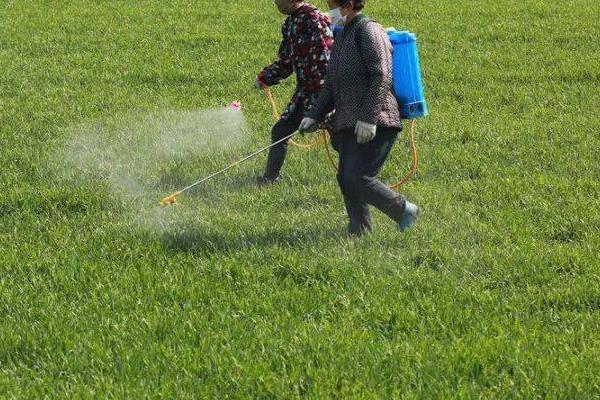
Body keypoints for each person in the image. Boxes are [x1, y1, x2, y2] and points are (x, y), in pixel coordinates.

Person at [300, 0, 419, 236]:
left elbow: (381, 75)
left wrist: (369, 118)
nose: (329, 11)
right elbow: (332, 86)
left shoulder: (369, 30)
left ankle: (405, 210)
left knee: (357, 177)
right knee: (346, 178)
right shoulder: (343, 36)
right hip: (349, 122)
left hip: (377, 119)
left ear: (349, 5)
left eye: (332, 5)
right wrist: (313, 115)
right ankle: (359, 230)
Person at [254, 0, 333, 185]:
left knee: (340, 139)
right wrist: (266, 76)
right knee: (281, 131)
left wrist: (319, 107)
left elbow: (325, 61)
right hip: (304, 93)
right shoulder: (290, 23)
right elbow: (286, 61)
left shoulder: (314, 19)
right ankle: (270, 179)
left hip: (325, 94)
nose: (277, 3)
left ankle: (359, 179)